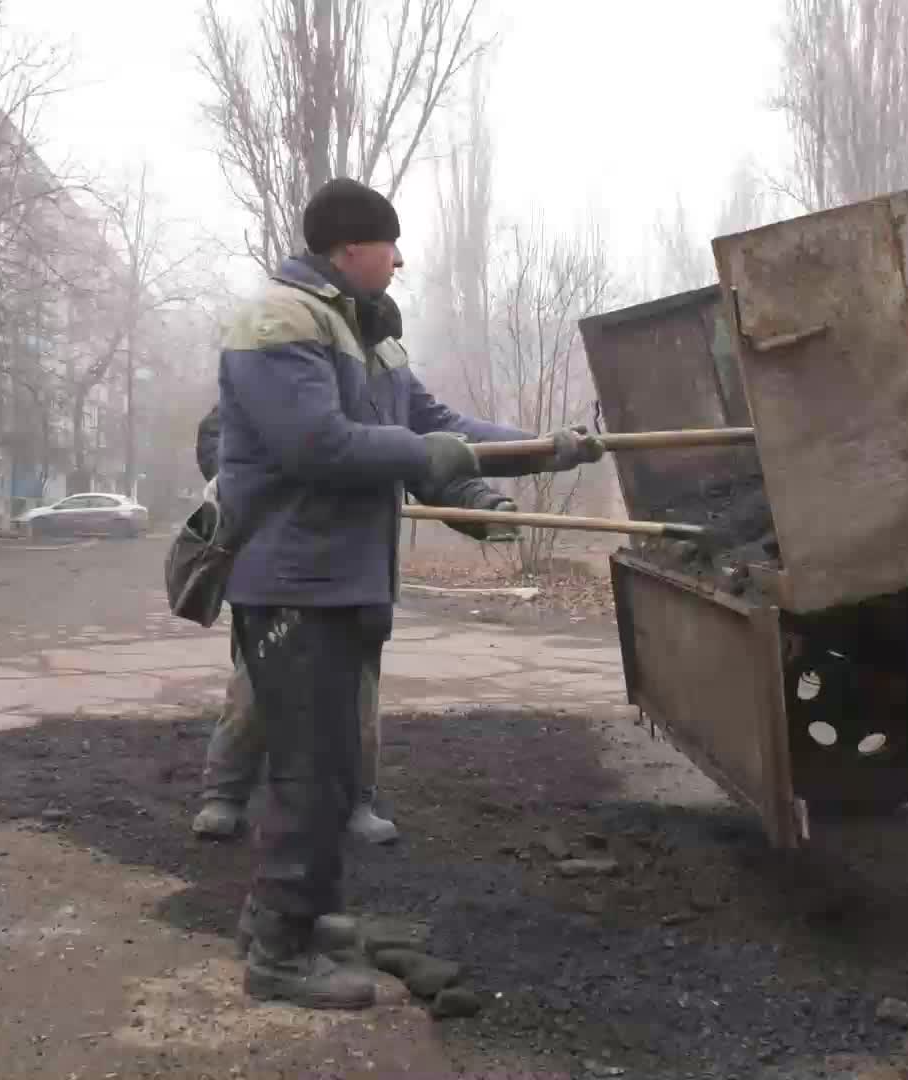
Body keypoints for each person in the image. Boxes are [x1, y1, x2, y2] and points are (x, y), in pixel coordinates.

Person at [215, 175, 603, 1009]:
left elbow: (442, 425)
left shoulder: (365, 335)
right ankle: (277, 955)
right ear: (348, 248)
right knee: (309, 772)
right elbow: (320, 447)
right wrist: (430, 460)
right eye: (390, 244)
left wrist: (547, 449)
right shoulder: (278, 322)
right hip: (293, 582)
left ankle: (298, 916)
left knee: (336, 767)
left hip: (344, 581)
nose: (400, 258)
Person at [190, 295, 519, 848]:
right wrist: (298, 471)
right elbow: (226, 445)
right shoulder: (285, 362)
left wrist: (483, 500)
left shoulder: (390, 369)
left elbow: (433, 445)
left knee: (357, 692)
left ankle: (354, 803)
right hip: (282, 560)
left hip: (360, 563)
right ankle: (225, 793)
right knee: (257, 684)